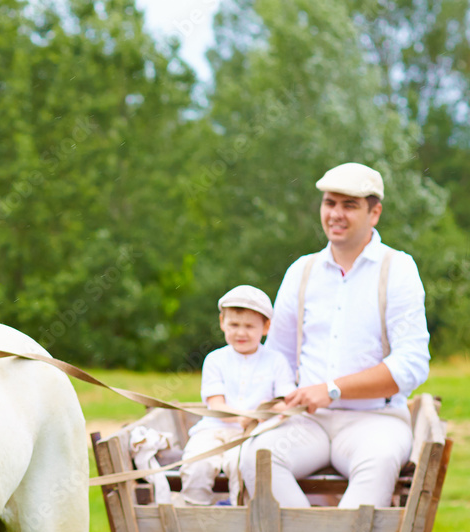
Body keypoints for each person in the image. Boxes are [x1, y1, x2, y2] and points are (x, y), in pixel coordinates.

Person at [239, 162, 430, 508]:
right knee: (257, 458)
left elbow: (411, 364)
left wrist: (332, 389)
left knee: (378, 464)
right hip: (307, 421)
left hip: (375, 421)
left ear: (375, 212)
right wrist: (278, 399)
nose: (336, 214)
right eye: (330, 203)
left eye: (349, 205)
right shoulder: (302, 270)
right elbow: (278, 353)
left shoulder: (398, 269)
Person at [180, 285, 295, 505]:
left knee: (243, 467)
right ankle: (195, 516)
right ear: (222, 322)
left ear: (266, 327)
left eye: (249, 326)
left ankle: (238, 516)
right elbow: (215, 405)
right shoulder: (215, 360)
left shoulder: (276, 361)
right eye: (234, 324)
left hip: (252, 435)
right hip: (213, 430)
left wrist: (269, 409)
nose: (241, 333)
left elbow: (286, 404)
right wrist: (244, 415)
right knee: (197, 465)